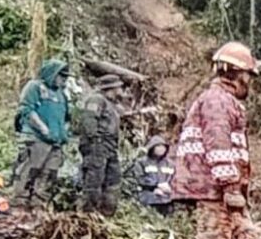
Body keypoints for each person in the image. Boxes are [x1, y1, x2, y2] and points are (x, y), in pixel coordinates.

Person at [175, 41, 261, 239]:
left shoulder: (226, 102)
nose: (250, 82)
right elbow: (218, 145)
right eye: (248, 75)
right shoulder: (217, 101)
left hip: (221, 187)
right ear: (235, 73)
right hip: (214, 188)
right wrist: (230, 188)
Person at [12, 58, 71, 210]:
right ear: (52, 74)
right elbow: (26, 109)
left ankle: (39, 209)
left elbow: (67, 117)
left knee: (48, 176)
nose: (63, 80)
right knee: (27, 173)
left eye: (66, 77)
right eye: (61, 76)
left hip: (56, 142)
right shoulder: (35, 86)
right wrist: (43, 128)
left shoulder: (61, 94)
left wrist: (63, 134)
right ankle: (19, 209)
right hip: (35, 139)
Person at [73, 74, 125, 216]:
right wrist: (95, 140)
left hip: (110, 147)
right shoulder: (96, 99)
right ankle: (87, 214)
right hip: (98, 146)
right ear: (112, 88)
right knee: (94, 181)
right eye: (119, 87)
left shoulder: (112, 105)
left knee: (113, 181)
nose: (121, 90)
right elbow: (88, 120)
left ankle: (105, 215)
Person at [127, 137, 175, 210]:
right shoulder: (142, 162)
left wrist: (170, 189)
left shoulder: (170, 164)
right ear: (152, 147)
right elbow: (138, 178)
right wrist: (155, 187)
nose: (161, 148)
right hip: (147, 198)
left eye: (163, 146)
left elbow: (175, 179)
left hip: (167, 199)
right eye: (158, 146)